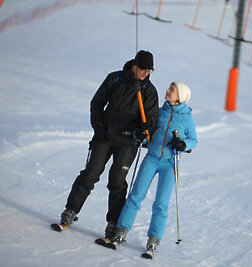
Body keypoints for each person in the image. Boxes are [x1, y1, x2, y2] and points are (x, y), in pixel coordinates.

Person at [57, 50, 159, 238]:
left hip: (128, 142)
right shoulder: (115, 78)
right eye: (143, 69)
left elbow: (152, 118)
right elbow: (97, 103)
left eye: (149, 70)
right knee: (90, 174)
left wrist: (145, 126)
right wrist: (98, 127)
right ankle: (70, 210)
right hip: (105, 136)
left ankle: (113, 222)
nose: (146, 73)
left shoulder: (149, 91)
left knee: (117, 182)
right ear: (135, 65)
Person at [110, 82, 197, 253]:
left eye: (171, 89)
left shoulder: (187, 118)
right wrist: (141, 136)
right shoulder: (158, 112)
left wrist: (182, 144)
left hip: (170, 163)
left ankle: (154, 239)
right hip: (151, 159)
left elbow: (193, 140)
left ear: (180, 96)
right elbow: (147, 132)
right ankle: (121, 231)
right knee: (136, 195)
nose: (167, 90)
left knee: (161, 203)